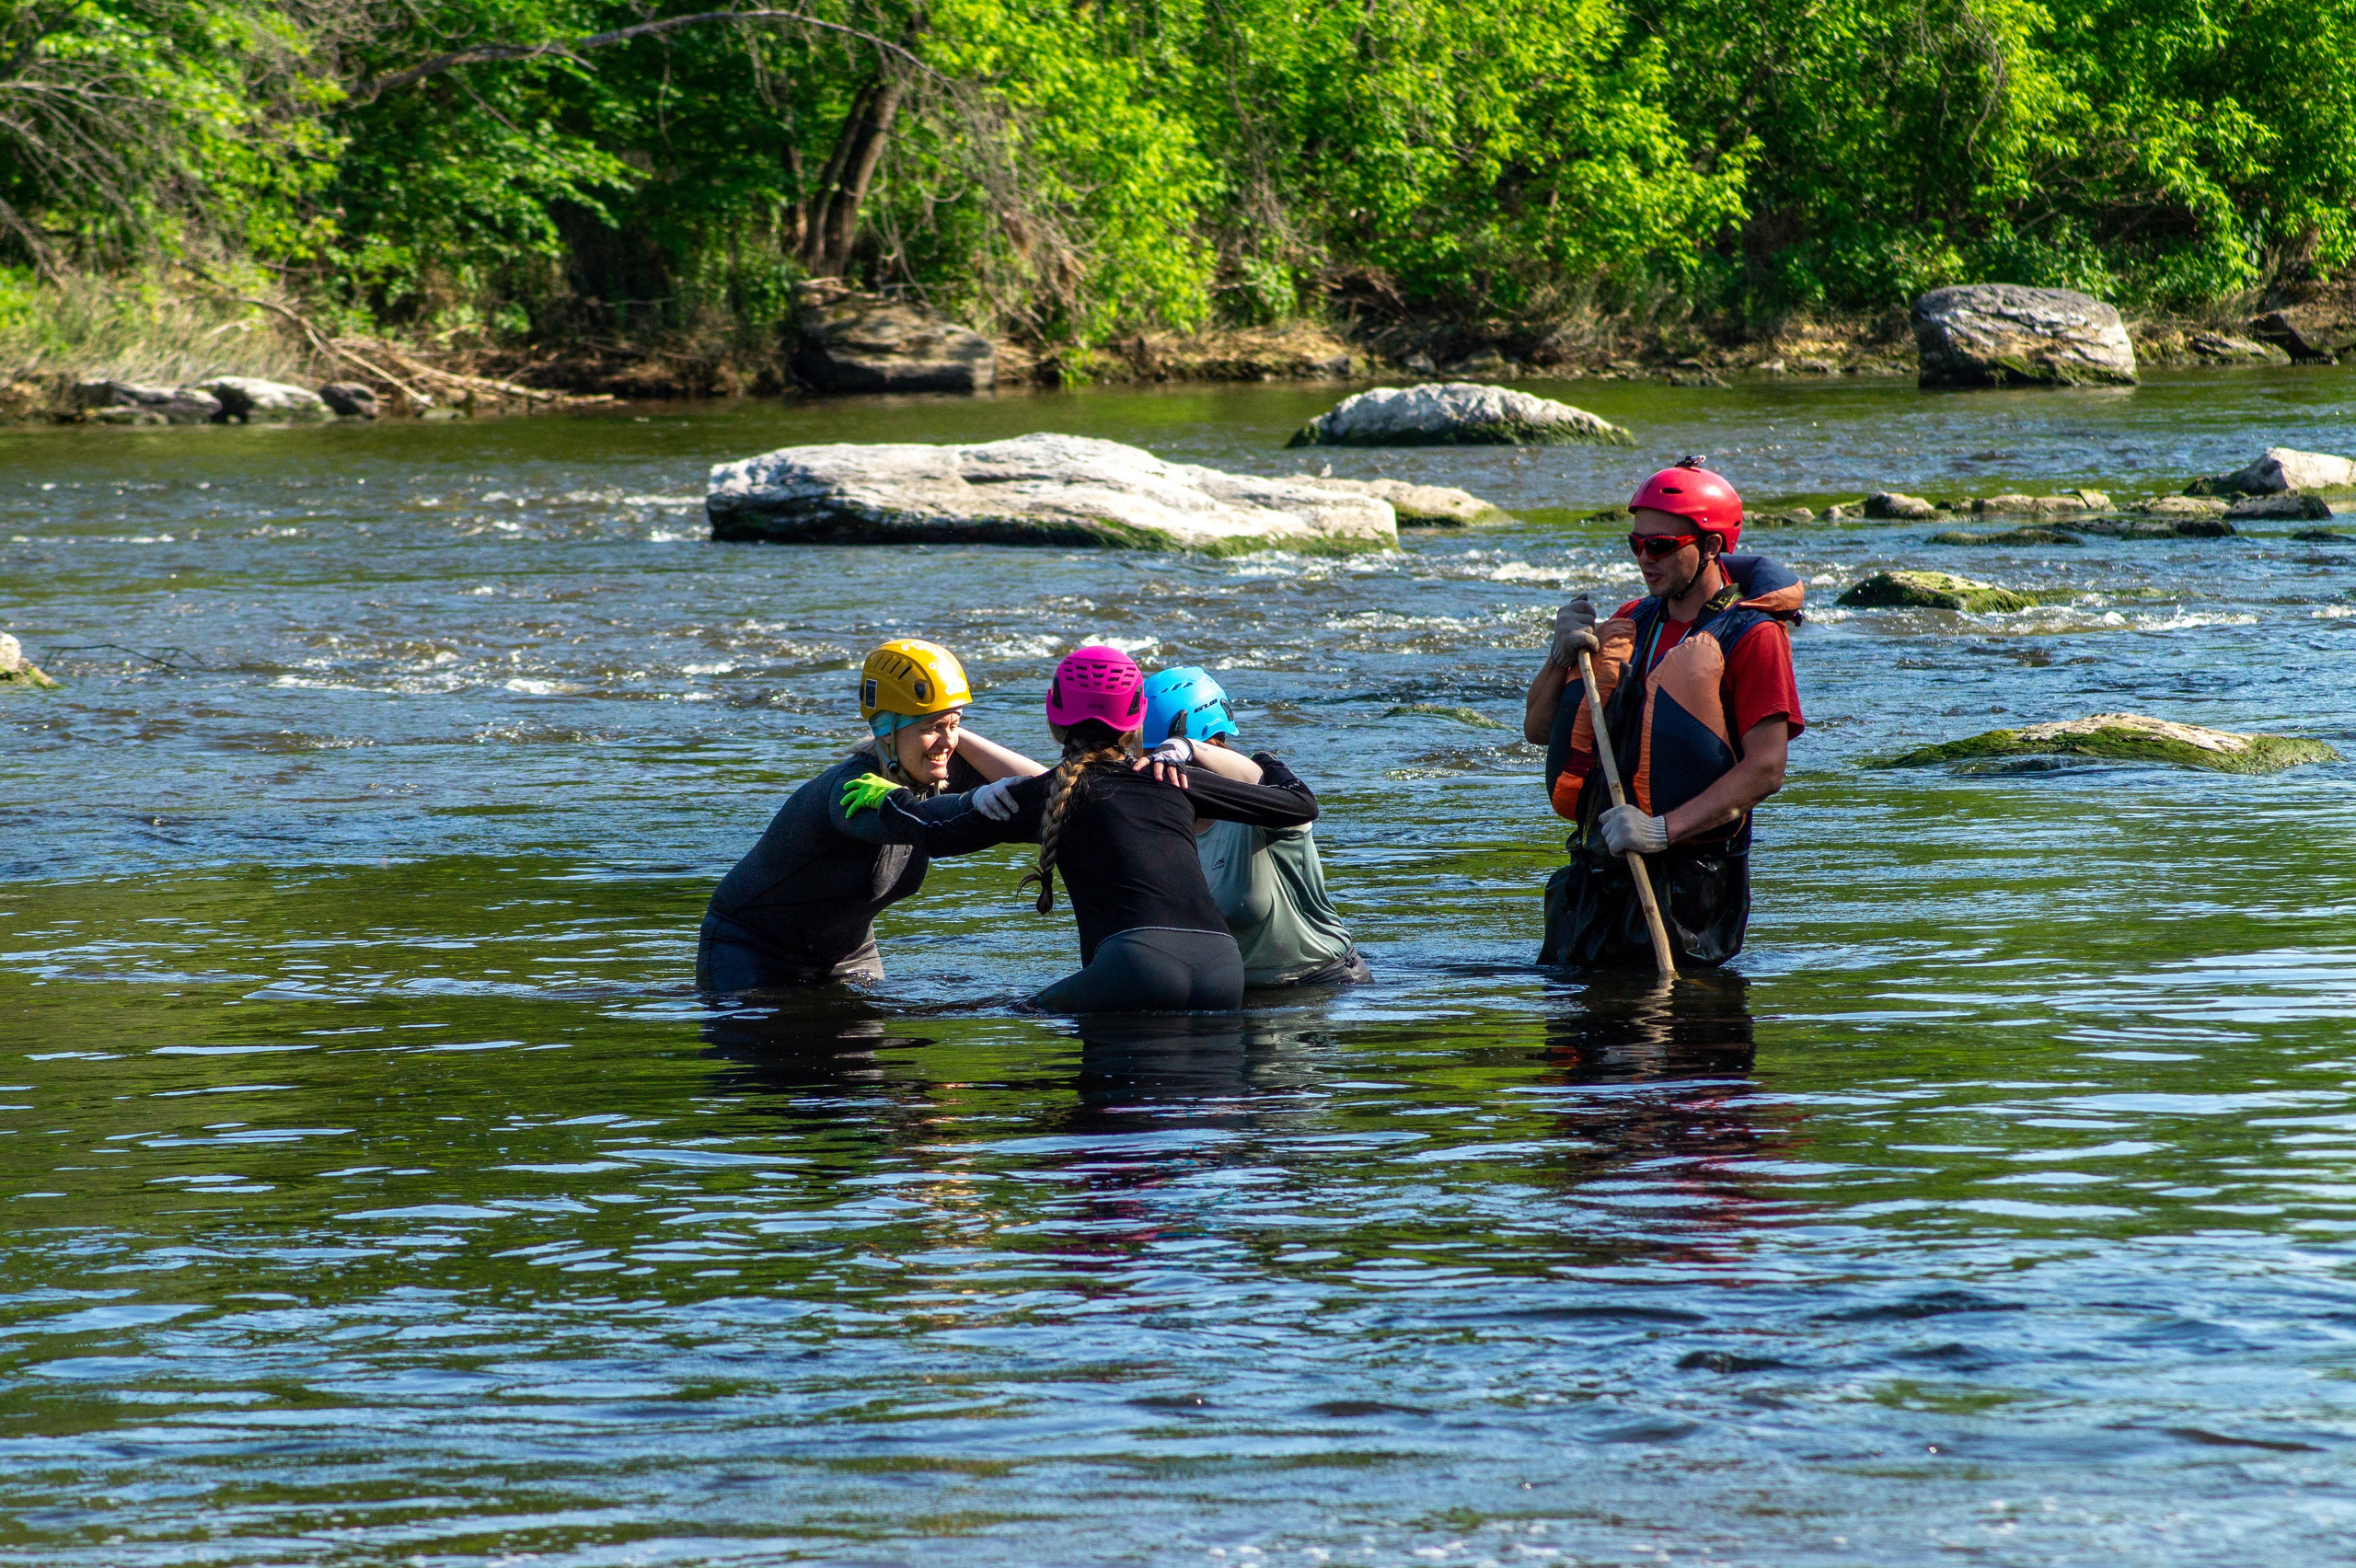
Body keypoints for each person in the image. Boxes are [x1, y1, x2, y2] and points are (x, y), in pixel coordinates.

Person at [864, 645, 1322, 1013]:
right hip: (1223, 973)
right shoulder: (1173, 779)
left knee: (1009, 1013)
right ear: (1136, 719)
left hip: (1134, 969)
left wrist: (885, 798)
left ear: (1053, 718)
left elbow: (937, 836)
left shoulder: (1045, 794)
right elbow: (1299, 803)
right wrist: (1245, 757)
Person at [1521, 457, 1807, 968]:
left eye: (1660, 546)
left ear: (1712, 547)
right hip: (1596, 881)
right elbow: (1539, 729)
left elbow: (1766, 768)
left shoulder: (1755, 636)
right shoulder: (1633, 620)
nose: (1643, 559)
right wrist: (1558, 655)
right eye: (1636, 544)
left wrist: (1661, 830)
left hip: (1688, 895)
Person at [696, 639, 1045, 993]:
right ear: (885, 732)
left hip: (848, 955)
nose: (946, 742)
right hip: (752, 950)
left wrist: (950, 728)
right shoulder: (852, 789)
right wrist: (975, 798)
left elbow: (1050, 797)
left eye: (954, 724)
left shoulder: (931, 767)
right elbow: (924, 822)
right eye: (931, 728)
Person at [1138, 666, 1369, 989]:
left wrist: (1187, 746)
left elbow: (1254, 774)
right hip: (1241, 996)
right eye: (1147, 758)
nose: (1153, 769)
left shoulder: (1262, 794)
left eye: (1160, 758)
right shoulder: (1164, 819)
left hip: (1323, 983)